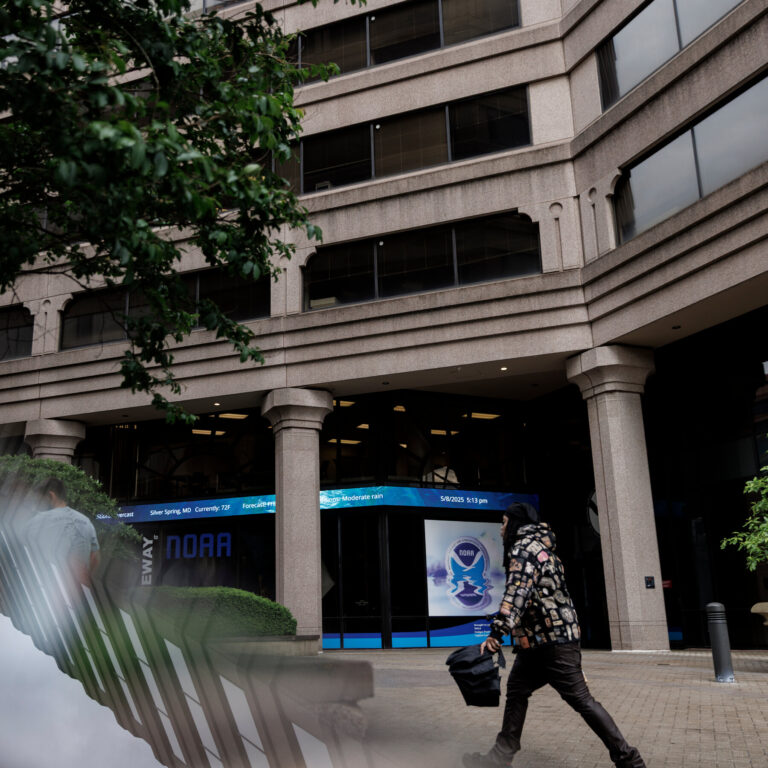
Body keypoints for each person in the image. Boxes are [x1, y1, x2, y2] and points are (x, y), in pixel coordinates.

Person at [463, 502, 645, 768]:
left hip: (552, 643)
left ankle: (630, 760)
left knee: (581, 700)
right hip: (539, 643)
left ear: (515, 524)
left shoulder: (524, 550)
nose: (501, 530)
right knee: (517, 691)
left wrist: (496, 634)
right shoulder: (543, 549)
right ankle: (499, 758)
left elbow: (516, 595)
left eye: (503, 523)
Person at [25, 477, 100, 587]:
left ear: (51, 496)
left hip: (49, 589)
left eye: (39, 499)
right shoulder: (86, 522)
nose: (37, 504)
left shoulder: (38, 520)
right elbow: (95, 556)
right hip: (80, 591)